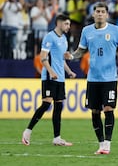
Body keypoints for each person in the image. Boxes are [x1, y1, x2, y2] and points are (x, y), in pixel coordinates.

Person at [64, 2, 118, 155]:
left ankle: (107, 144)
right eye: (97, 11)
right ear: (93, 14)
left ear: (107, 14)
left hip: (110, 78)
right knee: (94, 111)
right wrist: (72, 55)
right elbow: (81, 50)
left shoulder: (115, 30)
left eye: (102, 11)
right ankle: (101, 144)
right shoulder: (87, 31)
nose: (100, 14)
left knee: (108, 108)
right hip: (93, 78)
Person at [22, 14, 76, 146]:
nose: (68, 27)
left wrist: (69, 71)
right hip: (49, 77)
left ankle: (57, 138)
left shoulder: (64, 39)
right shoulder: (49, 37)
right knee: (46, 104)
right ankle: (27, 132)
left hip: (60, 78)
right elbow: (43, 57)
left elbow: (60, 59)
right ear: (59, 23)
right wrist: (51, 72)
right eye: (66, 24)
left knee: (58, 106)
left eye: (69, 24)